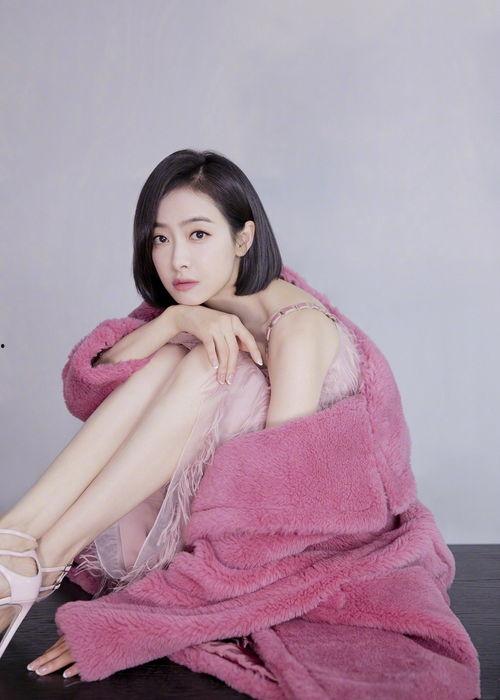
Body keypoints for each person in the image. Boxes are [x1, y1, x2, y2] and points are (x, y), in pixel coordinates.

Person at [0, 148, 361, 678]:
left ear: (243, 238)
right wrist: (172, 323)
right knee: (177, 352)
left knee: (206, 362)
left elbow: (277, 510)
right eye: (161, 239)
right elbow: (93, 385)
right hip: (164, 517)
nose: (177, 261)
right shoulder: (202, 307)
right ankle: (16, 538)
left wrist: (141, 622)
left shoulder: (296, 329)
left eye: (198, 234)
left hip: (258, 541)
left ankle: (43, 557)